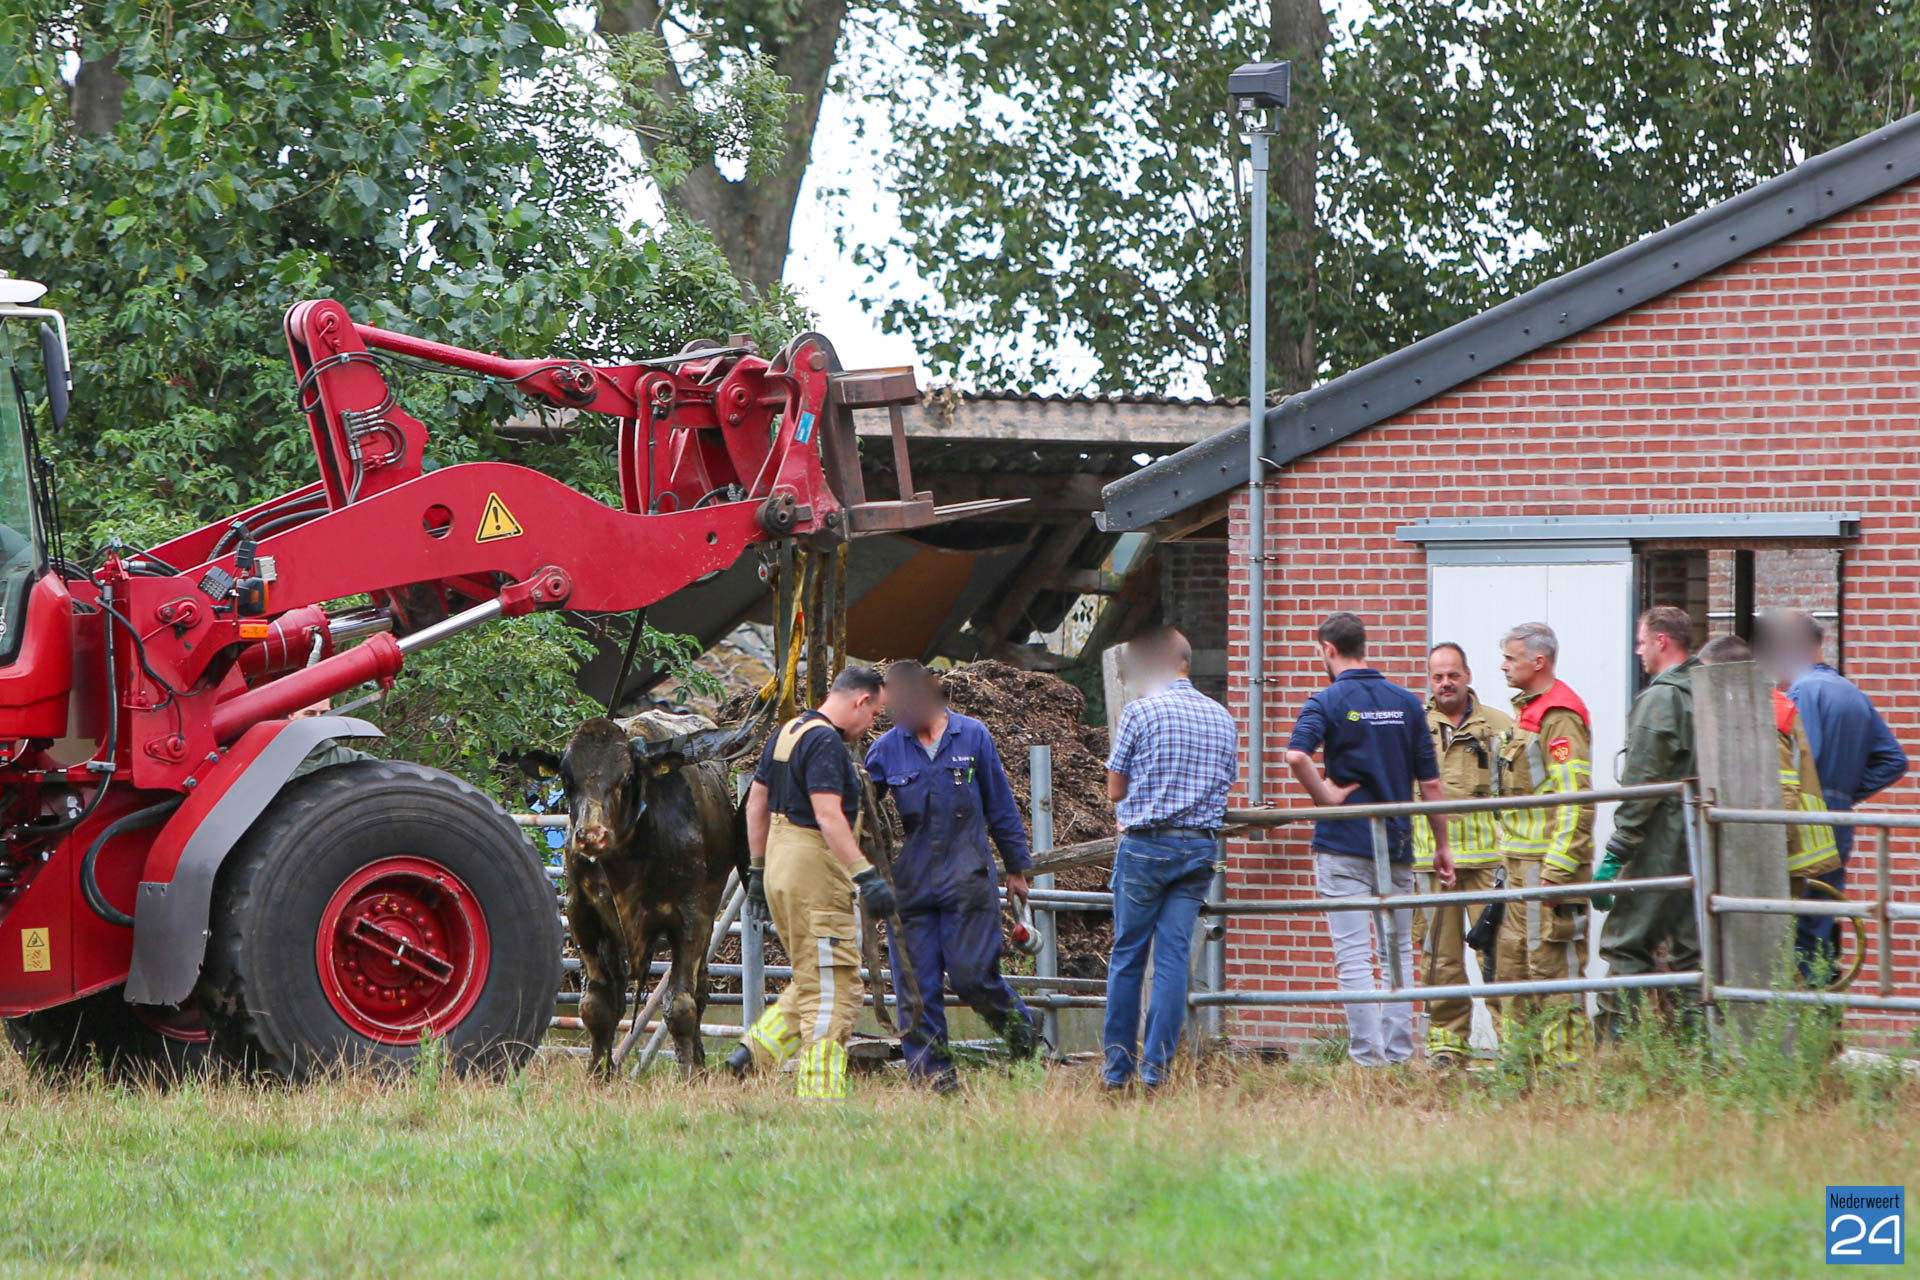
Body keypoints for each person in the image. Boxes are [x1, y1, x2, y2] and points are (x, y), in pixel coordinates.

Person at [1285, 612, 1452, 1068]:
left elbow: (1297, 755)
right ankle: (1399, 1057)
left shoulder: (1325, 701)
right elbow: (1431, 784)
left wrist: (1326, 798)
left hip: (1343, 845)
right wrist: (1442, 844)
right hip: (1397, 845)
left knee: (1354, 958)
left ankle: (1368, 1060)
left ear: (1327, 649)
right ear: (1363, 645)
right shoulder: (1406, 702)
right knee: (1398, 952)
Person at [866, 661, 1038, 1091]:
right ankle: (934, 1079)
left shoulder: (972, 736)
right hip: (912, 885)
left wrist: (1017, 867)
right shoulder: (886, 749)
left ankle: (1025, 1040)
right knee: (917, 988)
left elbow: (1000, 804)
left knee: (973, 977)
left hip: (967, 878)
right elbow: (862, 817)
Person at [727, 667, 892, 1099]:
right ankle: (820, 1095)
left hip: (782, 864)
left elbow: (756, 802)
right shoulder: (824, 742)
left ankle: (754, 1054)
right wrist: (865, 874)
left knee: (813, 976)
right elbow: (828, 816)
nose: (872, 724)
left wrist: (759, 870)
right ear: (860, 700)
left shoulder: (789, 732)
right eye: (875, 712)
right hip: (814, 869)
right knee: (834, 989)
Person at [1102, 626, 1239, 1090]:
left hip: (1146, 846)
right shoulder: (1223, 717)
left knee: (1128, 957)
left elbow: (1116, 789)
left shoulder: (1140, 712)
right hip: (1198, 848)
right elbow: (1225, 784)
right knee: (1174, 960)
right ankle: (1156, 1072)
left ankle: (1117, 1071)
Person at [1759, 609, 1908, 973]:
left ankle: (1805, 1016)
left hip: (1807, 829)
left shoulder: (1802, 692)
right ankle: (1825, 1016)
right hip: (1839, 826)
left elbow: (1803, 764)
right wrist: (1845, 793)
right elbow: (1893, 760)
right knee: (1823, 922)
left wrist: (1822, 795)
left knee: (1799, 927)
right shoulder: (1851, 692)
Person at [1593, 607, 1701, 1035]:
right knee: (1692, 950)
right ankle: (1701, 1051)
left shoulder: (1661, 699)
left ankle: (1617, 1053)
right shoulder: (1703, 689)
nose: (1638, 651)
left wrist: (1618, 850)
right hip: (1698, 839)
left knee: (1625, 942)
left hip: (1661, 840)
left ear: (1661, 641)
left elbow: (1642, 782)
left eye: (1641, 641)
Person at [1494, 621, 1593, 1064]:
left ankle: (1566, 1077)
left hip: (1547, 873)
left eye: (1511, 658)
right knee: (1513, 971)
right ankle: (1522, 1072)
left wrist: (1557, 871)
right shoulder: (1530, 711)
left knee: (1553, 974)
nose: (1503, 666)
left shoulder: (1560, 717)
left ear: (1539, 661)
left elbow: (1575, 800)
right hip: (1520, 869)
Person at [1410, 642, 1512, 1070]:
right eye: (1437, 676)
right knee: (1439, 960)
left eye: (1453, 674)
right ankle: (1446, 1048)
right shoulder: (1412, 726)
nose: (1446, 683)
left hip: (1488, 864)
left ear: (1468, 675)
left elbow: (1517, 792)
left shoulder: (1501, 726)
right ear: (1429, 680)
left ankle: (1512, 1045)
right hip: (1432, 865)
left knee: (1500, 956)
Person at [1697, 635, 1840, 901]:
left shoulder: (1763, 714)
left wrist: (1765, 855)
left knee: (1772, 933)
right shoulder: (1764, 704)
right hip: (1788, 848)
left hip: (1784, 855)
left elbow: (1782, 792)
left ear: (1729, 675)